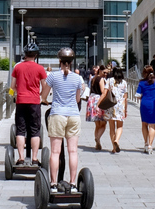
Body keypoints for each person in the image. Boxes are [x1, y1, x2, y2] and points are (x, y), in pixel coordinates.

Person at [42, 47, 84, 194]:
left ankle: (53, 184)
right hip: (73, 115)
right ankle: (73, 184)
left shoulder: (53, 76)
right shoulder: (78, 78)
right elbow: (78, 99)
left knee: (55, 152)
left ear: (59, 61)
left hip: (57, 114)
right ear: (71, 62)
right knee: (73, 151)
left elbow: (44, 95)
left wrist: (46, 101)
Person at [10, 42, 47, 166]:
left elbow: (12, 87)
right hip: (34, 102)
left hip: (21, 101)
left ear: (25, 54)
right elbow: (45, 86)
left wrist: (17, 93)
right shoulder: (40, 69)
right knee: (35, 131)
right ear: (36, 55)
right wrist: (42, 96)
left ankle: (21, 159)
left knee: (20, 130)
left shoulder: (17, 67)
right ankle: (35, 159)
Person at [135, 65, 155, 154]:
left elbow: (137, 95)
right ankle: (150, 145)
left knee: (144, 124)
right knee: (152, 125)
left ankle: (146, 143)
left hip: (144, 104)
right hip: (154, 104)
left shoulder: (142, 83)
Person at [104, 67, 128, 153]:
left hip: (111, 104)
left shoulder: (109, 80)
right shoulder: (124, 82)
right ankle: (116, 141)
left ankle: (113, 148)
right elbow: (125, 97)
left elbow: (105, 92)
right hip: (121, 105)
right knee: (120, 126)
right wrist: (126, 109)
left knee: (111, 127)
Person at [85, 64, 108, 150]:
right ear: (101, 71)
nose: (106, 74)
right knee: (103, 123)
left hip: (91, 99)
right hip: (98, 100)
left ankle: (97, 143)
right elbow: (103, 91)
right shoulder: (101, 79)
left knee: (97, 124)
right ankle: (98, 138)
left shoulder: (93, 78)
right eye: (105, 72)